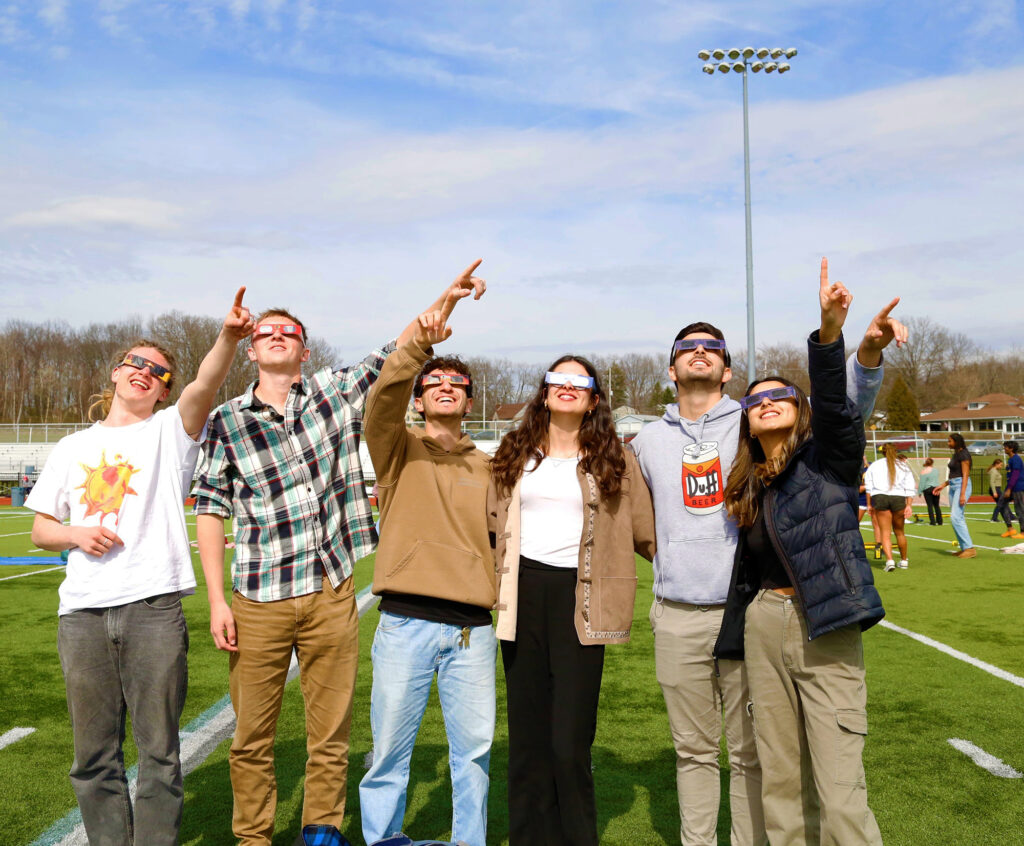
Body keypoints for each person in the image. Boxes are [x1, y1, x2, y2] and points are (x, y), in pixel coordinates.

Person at [194, 266, 483, 846]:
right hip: (258, 595)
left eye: (289, 332)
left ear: (304, 347)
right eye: (267, 332)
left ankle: (320, 830)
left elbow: (398, 349)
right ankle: (252, 836)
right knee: (252, 736)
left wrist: (443, 304)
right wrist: (216, 600)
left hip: (330, 590)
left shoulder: (332, 392)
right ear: (252, 351)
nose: (278, 336)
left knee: (330, 735)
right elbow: (209, 507)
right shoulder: (227, 421)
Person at [629, 259, 893, 846]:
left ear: (726, 369)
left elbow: (839, 409)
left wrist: (851, 345)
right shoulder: (648, 440)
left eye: (712, 347)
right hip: (686, 614)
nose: (699, 351)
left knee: (772, 762)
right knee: (713, 756)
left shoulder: (782, 440)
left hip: (749, 614)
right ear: (671, 367)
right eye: (687, 346)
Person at [26, 290, 255, 845]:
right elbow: (40, 531)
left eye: (160, 373)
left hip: (153, 610)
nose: (147, 374)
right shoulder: (72, 446)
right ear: (116, 372)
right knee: (92, 755)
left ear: (165, 390)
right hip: (81, 614)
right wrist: (75, 532)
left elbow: (204, 386)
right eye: (138, 364)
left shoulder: (170, 432)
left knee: (159, 752)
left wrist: (227, 337)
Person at [714, 259, 903, 846]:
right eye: (754, 400)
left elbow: (841, 415)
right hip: (765, 623)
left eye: (778, 395)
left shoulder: (827, 459)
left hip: (824, 622)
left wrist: (833, 337)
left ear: (799, 408)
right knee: (780, 778)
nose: (765, 402)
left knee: (840, 786)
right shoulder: (748, 482)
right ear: (744, 420)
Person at [488, 356, 656, 846]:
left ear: (593, 399)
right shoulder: (513, 453)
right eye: (556, 380)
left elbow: (646, 531)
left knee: (568, 743)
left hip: (583, 599)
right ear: (543, 393)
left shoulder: (615, 460)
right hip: (521, 598)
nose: (566, 387)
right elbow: (486, 523)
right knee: (527, 742)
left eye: (577, 381)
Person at [358, 268, 494, 846]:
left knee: (474, 756)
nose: (445, 387)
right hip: (404, 622)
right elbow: (381, 401)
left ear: (468, 399)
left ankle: (469, 841)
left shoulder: (489, 466)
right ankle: (385, 839)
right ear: (420, 396)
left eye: (457, 383)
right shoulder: (396, 448)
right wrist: (421, 343)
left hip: (472, 633)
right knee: (388, 752)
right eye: (434, 381)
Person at [864, 443, 916, 571]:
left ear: (882, 452)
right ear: (896, 451)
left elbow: (868, 487)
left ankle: (890, 561)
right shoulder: (903, 465)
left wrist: (869, 505)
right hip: (898, 498)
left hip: (880, 497)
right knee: (900, 532)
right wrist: (909, 505)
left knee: (885, 533)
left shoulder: (875, 465)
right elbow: (910, 486)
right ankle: (904, 561)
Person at [933, 433, 975, 558]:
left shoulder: (964, 454)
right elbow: (954, 474)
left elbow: (965, 475)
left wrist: (962, 494)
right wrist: (943, 485)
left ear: (956, 442)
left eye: (950, 441)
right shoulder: (956, 454)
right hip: (953, 485)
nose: (948, 443)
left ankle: (969, 548)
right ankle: (964, 548)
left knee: (955, 518)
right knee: (958, 518)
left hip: (962, 485)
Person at [1000, 441, 1024, 539]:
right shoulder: (1011, 460)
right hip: (1011, 487)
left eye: (1006, 447)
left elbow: (1015, 475)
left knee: (1020, 509)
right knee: (1001, 504)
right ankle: (1010, 529)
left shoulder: (1016, 459)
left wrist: (1009, 489)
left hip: (1018, 487)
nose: (1004, 449)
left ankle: (1023, 532)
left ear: (1011, 448)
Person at [988, 458, 1011, 529]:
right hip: (996, 489)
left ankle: (1010, 516)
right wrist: (994, 492)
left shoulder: (995, 471)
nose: (1001, 467)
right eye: (1000, 465)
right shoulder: (994, 471)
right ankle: (994, 518)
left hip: (997, 489)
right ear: (996, 464)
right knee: (1001, 503)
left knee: (1002, 503)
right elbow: (992, 482)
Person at [918, 457, 942, 526]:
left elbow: (922, 483)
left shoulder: (923, 471)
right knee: (937, 506)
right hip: (936, 488)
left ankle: (932, 521)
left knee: (930, 506)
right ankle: (940, 521)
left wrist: (919, 492)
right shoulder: (936, 471)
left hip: (927, 489)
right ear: (932, 463)